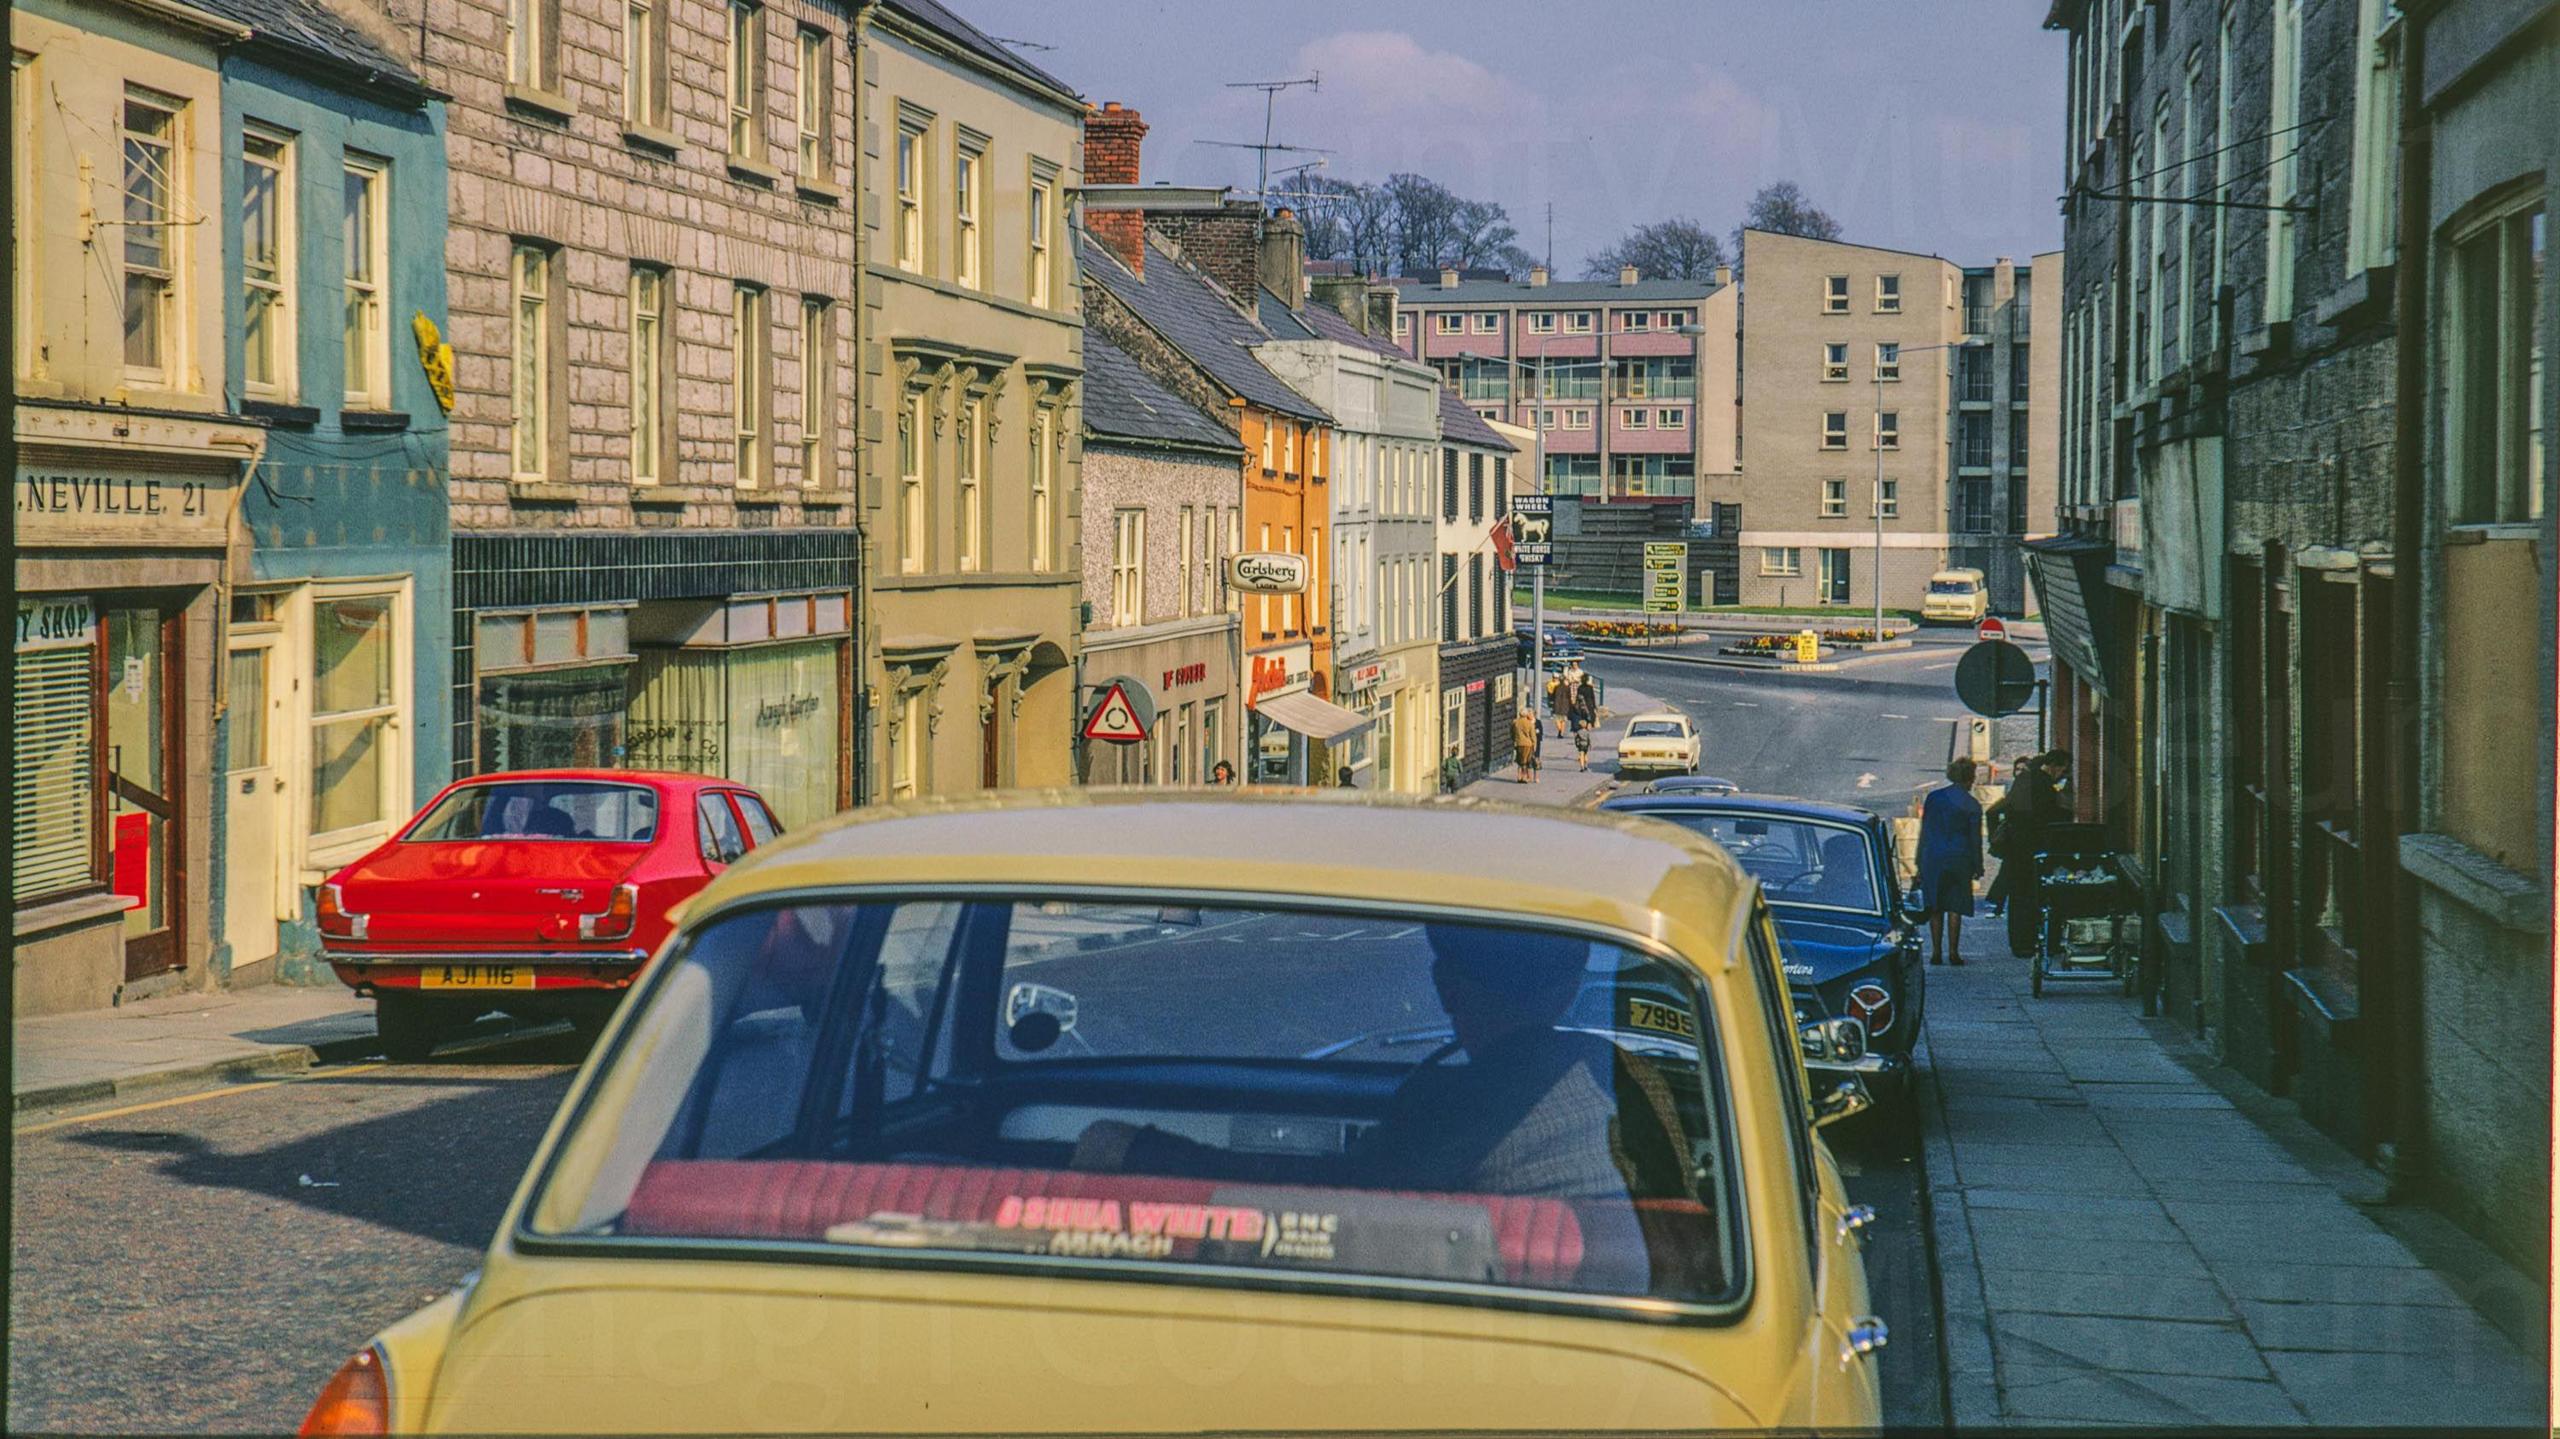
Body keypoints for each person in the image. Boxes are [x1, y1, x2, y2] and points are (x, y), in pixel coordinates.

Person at [1070, 923, 1689, 1203]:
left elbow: (1336, 1210)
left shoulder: (1446, 1104)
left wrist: (1139, 1155)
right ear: (1571, 981)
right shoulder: (1634, 1082)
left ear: (1448, 988)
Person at [1915, 758, 1986, 965]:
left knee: (1935, 905)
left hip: (1933, 857)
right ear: (1970, 778)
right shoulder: (1972, 805)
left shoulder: (1934, 798)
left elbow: (1925, 832)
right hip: (1960, 857)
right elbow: (1975, 839)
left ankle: (1936, 952)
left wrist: (1919, 861)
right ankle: (1954, 952)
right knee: (1956, 904)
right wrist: (1978, 865)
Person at [1511, 705, 1541, 783]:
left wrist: (1514, 740)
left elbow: (1512, 732)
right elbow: (1533, 736)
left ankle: (1519, 776)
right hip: (1528, 744)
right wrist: (1534, 745)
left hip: (1519, 743)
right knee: (1526, 761)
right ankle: (1524, 777)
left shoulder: (1515, 722)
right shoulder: (1529, 723)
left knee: (1519, 761)